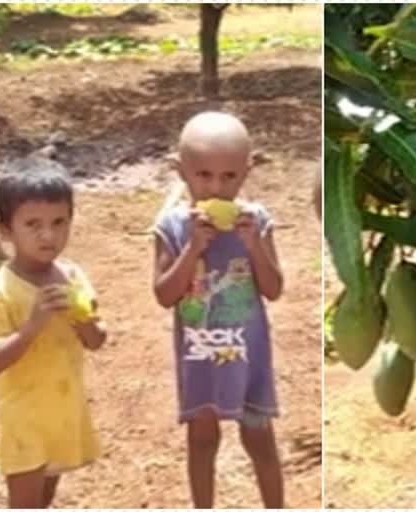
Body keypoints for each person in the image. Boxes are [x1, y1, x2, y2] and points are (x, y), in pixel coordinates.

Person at [152, 112, 285, 508]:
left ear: (247, 171)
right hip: (200, 357)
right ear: (181, 172)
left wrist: (253, 245)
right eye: (203, 175)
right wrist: (193, 248)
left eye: (229, 177)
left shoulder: (256, 221)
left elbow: (274, 289)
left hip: (248, 356)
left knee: (259, 438)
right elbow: (163, 294)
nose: (216, 187)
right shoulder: (172, 227)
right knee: (202, 440)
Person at [0, 157, 107, 508]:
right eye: (32, 224)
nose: (48, 235)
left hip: (62, 412)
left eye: (58, 222)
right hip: (24, 421)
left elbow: (97, 340)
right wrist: (32, 327)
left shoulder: (72, 277)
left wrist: (82, 319)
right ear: (5, 230)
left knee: (45, 497)